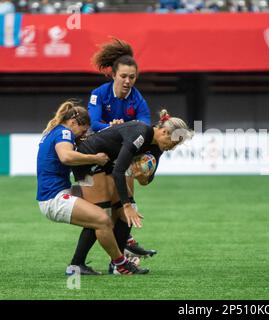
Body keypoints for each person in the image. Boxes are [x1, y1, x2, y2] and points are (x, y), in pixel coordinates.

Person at [68, 110, 192, 275]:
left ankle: (116, 265)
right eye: (174, 142)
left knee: (126, 213)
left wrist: (141, 177)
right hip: (90, 157)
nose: (173, 147)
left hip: (107, 164)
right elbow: (119, 171)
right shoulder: (140, 133)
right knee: (101, 215)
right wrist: (125, 204)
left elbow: (147, 179)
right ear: (164, 132)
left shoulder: (158, 147)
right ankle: (76, 265)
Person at [69, 38, 154, 275]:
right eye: (123, 76)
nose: (127, 81)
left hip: (116, 159)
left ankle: (114, 257)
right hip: (93, 160)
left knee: (120, 208)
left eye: (132, 77)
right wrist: (114, 127)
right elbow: (94, 124)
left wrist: (124, 128)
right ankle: (82, 264)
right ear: (113, 75)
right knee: (104, 213)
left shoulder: (138, 99)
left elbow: (144, 127)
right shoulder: (99, 94)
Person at [36, 100, 148, 275]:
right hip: (54, 199)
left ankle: (78, 265)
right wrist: (95, 158)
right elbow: (65, 157)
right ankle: (121, 263)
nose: (82, 135)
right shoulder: (64, 132)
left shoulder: (56, 131)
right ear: (73, 122)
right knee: (102, 219)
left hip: (59, 193)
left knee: (103, 208)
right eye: (82, 131)